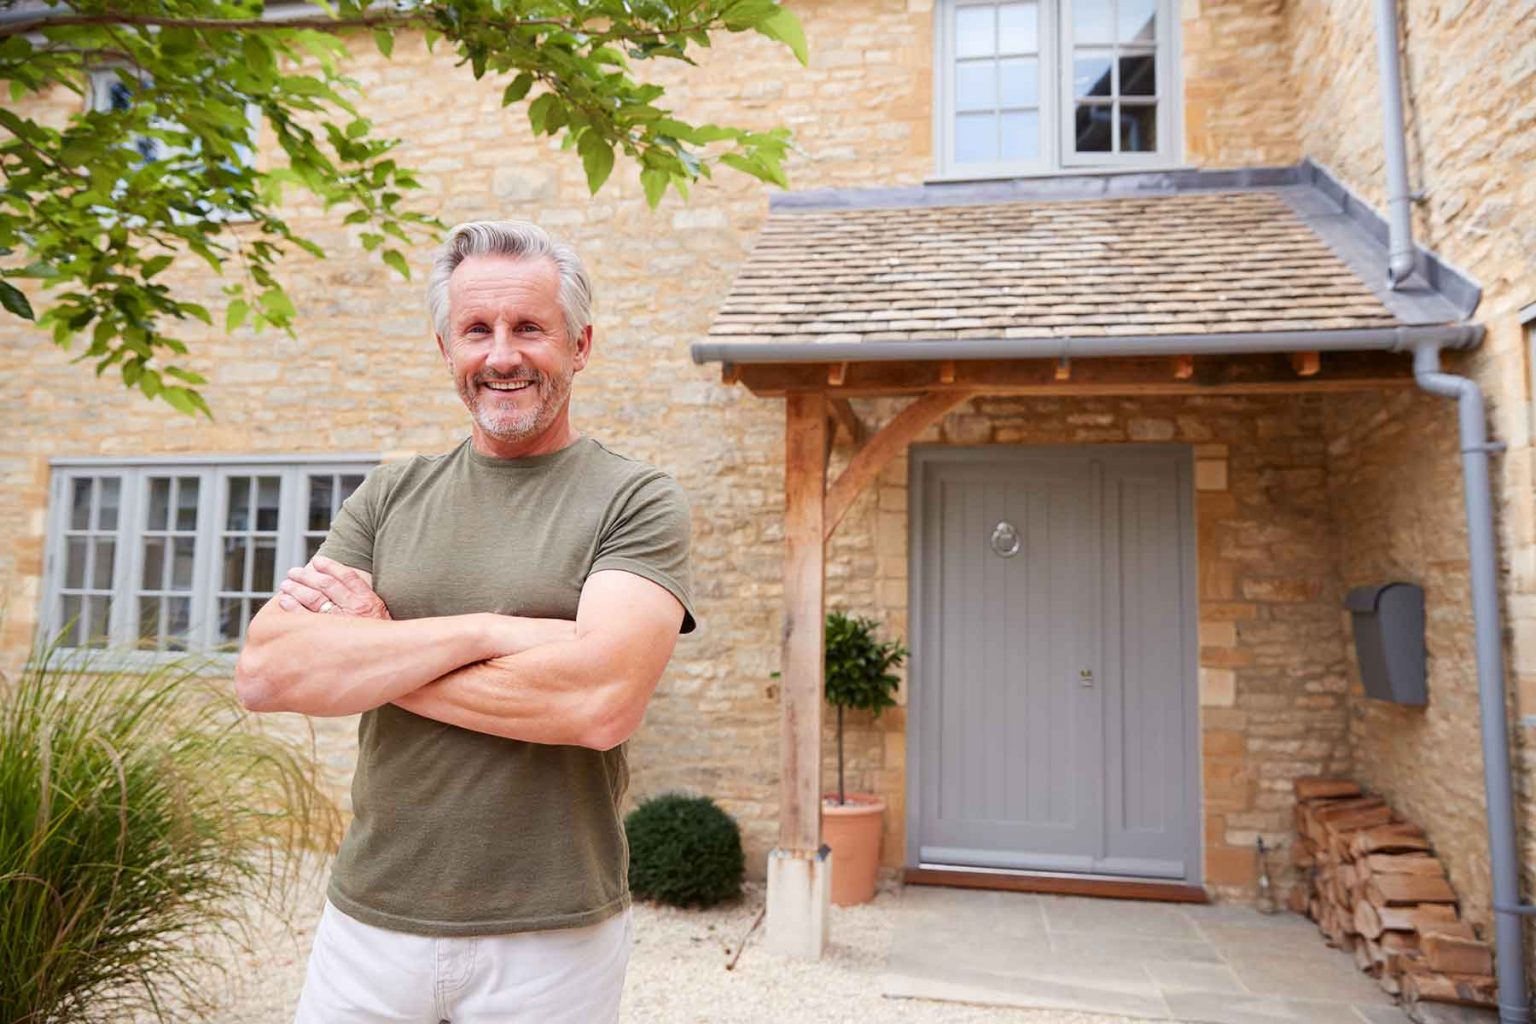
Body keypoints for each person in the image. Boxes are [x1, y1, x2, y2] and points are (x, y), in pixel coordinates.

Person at [234, 220, 696, 1023]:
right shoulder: (390, 493)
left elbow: (599, 704)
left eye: (529, 329)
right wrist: (490, 631)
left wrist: (378, 646)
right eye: (476, 330)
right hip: (369, 917)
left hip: (552, 935)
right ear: (446, 348)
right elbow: (267, 673)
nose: (502, 355)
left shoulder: (634, 499)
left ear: (580, 345)